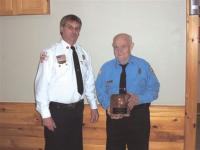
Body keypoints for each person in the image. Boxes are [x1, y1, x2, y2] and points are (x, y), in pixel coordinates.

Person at [35, 14, 99, 150]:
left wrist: (93, 105)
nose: (74, 32)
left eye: (77, 29)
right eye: (70, 27)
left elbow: (88, 81)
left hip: (77, 110)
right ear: (61, 29)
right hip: (57, 112)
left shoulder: (84, 54)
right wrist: (45, 115)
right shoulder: (50, 53)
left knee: (75, 146)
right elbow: (41, 86)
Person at [95, 33, 160, 150]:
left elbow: (154, 88)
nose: (119, 50)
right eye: (116, 47)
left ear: (132, 46)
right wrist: (107, 105)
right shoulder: (106, 68)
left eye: (123, 46)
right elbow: (99, 90)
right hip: (114, 117)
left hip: (138, 117)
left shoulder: (143, 65)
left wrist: (139, 99)